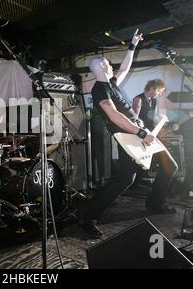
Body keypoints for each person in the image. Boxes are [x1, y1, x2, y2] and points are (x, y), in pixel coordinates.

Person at [75, 29, 178, 239]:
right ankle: (87, 215)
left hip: (141, 132)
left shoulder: (111, 84)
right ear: (103, 66)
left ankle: (154, 203)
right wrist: (141, 132)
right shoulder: (99, 90)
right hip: (128, 137)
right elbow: (113, 116)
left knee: (170, 166)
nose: (113, 66)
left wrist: (132, 45)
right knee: (126, 178)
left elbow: (124, 66)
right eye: (108, 64)